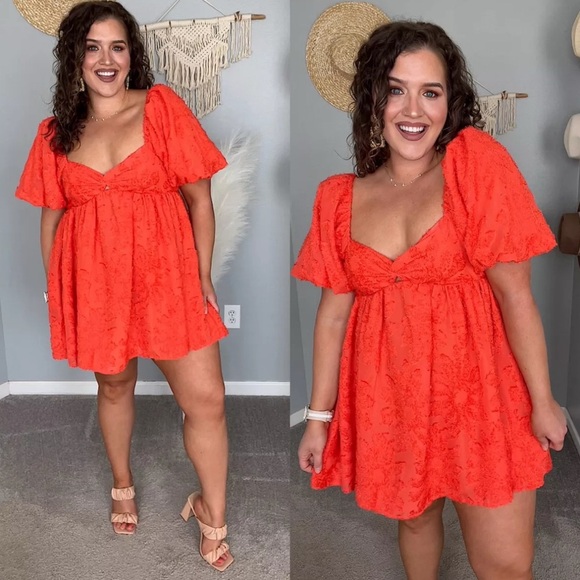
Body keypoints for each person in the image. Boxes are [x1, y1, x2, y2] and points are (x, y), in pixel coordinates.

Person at [293, 20, 568, 580]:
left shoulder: (475, 165)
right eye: (396, 90)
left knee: (505, 565)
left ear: (451, 102)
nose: (413, 110)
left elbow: (516, 296)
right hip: (391, 396)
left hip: (480, 395)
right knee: (416, 521)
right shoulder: (337, 199)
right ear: (372, 99)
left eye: (431, 92)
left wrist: (543, 401)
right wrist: (318, 419)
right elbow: (332, 317)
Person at [15, 1, 233, 572]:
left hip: (167, 277)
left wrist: (203, 276)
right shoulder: (56, 132)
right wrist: (56, 288)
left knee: (207, 399)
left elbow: (200, 200)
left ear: (132, 56)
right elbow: (51, 218)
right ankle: (122, 483)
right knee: (114, 386)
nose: (106, 59)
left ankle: (212, 510)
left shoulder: (161, 107)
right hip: (95, 283)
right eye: (92, 48)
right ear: (75, 59)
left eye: (117, 47)